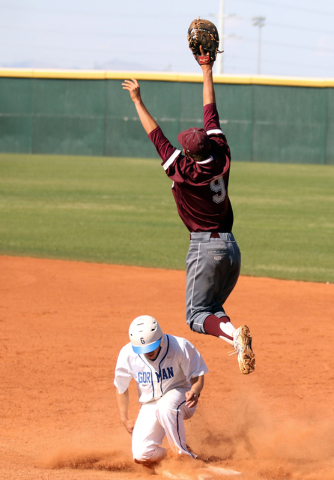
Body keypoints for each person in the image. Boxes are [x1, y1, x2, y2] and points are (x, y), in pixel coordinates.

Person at [122, 48, 255, 375]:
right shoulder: (221, 154)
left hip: (206, 249)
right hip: (231, 248)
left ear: (190, 154)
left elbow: (157, 136)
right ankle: (232, 334)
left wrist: (138, 101)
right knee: (212, 309)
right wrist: (207, 67)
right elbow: (211, 110)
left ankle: (235, 337)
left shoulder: (186, 170)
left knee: (196, 316)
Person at [114, 315, 208, 465]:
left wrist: (195, 391)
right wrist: (124, 418)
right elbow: (121, 387)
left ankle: (184, 458)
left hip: (181, 396)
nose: (148, 351)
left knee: (165, 406)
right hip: (150, 404)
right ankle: (177, 452)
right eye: (143, 348)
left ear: (160, 337)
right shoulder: (128, 354)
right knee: (142, 455)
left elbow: (197, 375)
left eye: (152, 346)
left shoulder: (180, 346)